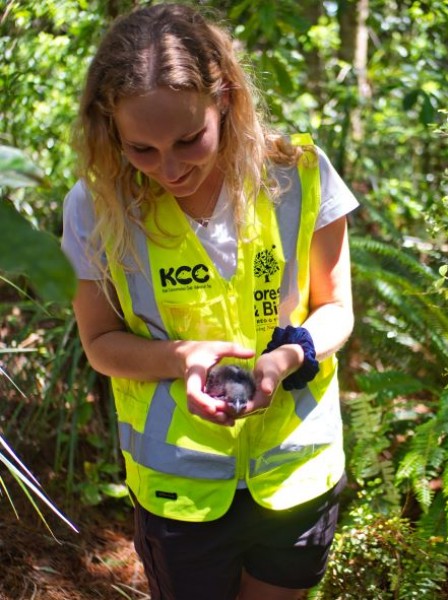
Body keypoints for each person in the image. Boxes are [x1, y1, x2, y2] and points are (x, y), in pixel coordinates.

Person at [61, 3, 359, 599]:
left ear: (223, 97)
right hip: (180, 491)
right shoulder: (96, 207)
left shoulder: (297, 174)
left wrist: (290, 354)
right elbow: (99, 343)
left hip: (295, 474)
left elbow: (337, 310)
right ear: (110, 130)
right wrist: (181, 359)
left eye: (188, 140)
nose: (169, 169)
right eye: (141, 150)